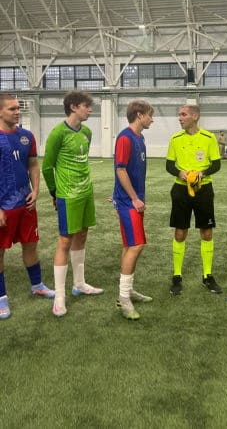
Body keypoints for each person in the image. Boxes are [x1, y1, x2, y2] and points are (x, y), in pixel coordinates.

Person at [42, 91, 103, 317]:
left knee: (83, 235)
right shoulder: (58, 133)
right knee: (65, 241)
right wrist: (54, 192)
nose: (90, 110)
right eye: (87, 106)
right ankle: (59, 296)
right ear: (74, 107)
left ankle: (79, 283)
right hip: (67, 195)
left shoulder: (87, 132)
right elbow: (47, 166)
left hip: (86, 193)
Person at [0, 94, 54, 319]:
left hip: (26, 204)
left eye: (18, 108)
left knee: (31, 245)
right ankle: (1, 299)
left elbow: (32, 164)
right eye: (12, 109)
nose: (17, 111)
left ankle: (37, 285)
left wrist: (36, 189)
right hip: (4, 207)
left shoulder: (26, 136)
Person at [166, 104, 222, 295]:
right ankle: (177, 276)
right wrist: (180, 173)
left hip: (203, 190)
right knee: (180, 232)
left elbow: (216, 164)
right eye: (179, 115)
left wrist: (202, 173)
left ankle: (207, 276)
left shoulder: (209, 137)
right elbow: (169, 165)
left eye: (183, 114)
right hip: (180, 191)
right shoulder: (175, 138)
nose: (180, 118)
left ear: (195, 116)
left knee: (206, 232)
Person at [113, 100, 154, 320]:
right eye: (149, 115)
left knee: (129, 245)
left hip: (133, 199)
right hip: (129, 201)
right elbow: (120, 169)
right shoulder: (125, 138)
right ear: (139, 115)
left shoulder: (140, 138)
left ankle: (127, 291)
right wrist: (133, 198)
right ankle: (123, 298)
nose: (152, 119)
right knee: (137, 245)